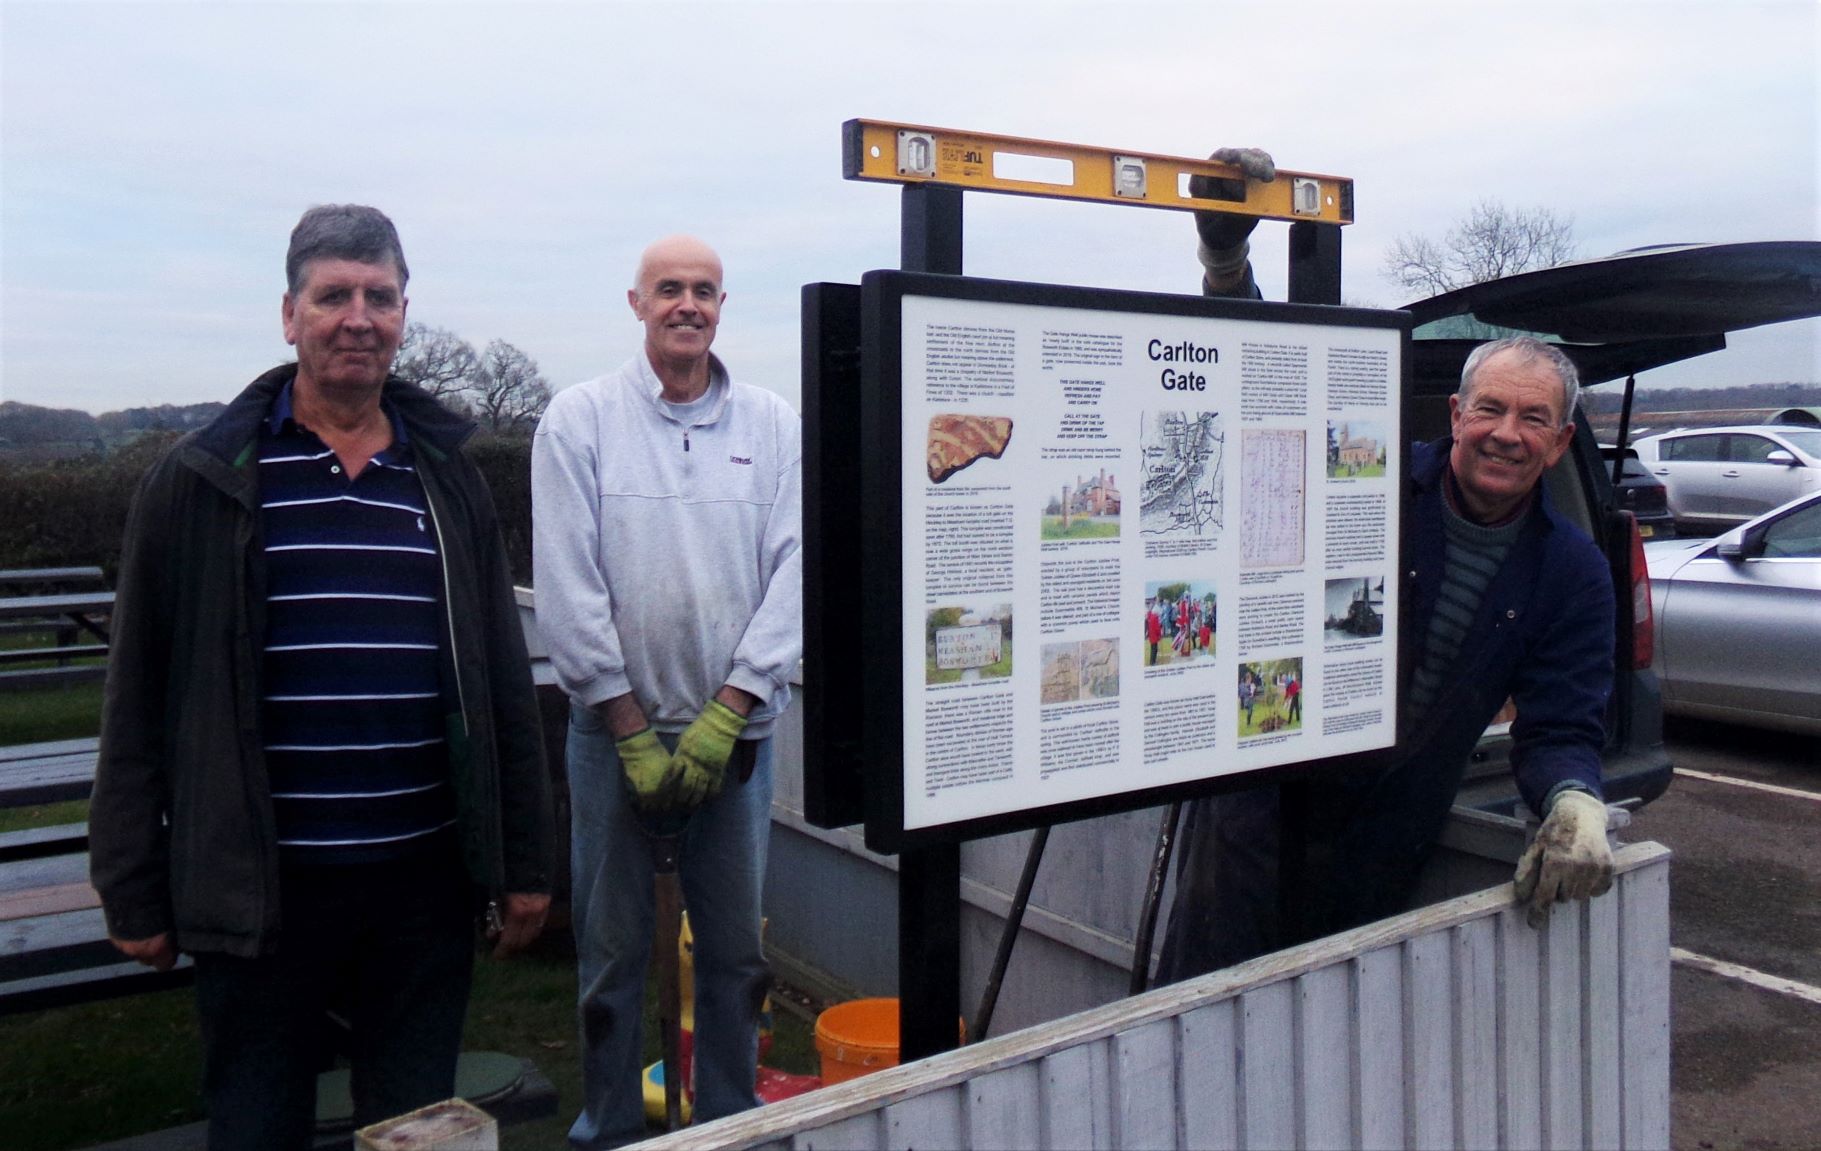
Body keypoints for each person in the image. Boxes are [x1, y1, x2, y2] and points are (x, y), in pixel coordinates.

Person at [89, 204, 555, 1150]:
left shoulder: (446, 478)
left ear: (403, 313)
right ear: (289, 314)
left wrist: (525, 864)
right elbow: (137, 693)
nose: (358, 317)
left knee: (412, 1126)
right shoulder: (201, 479)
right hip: (263, 887)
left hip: (420, 886)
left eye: (379, 297)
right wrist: (131, 884)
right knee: (258, 1122)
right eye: (333, 294)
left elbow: (501, 680)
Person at [1157, 152, 1617, 980]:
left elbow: (1562, 721)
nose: (1505, 432)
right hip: (1258, 805)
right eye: (1489, 408)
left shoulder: (1569, 571)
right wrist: (1226, 268)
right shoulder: (1362, 483)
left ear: (1555, 445)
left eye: (1532, 417)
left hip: (1385, 834)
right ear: (1455, 413)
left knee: (1325, 1043)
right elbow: (1266, 388)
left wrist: (1573, 798)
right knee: (1198, 1014)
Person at [532, 235, 802, 1148]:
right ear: (636, 303)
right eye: (668, 290)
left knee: (734, 955)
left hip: (737, 749)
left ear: (723, 306)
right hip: (613, 746)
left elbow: (796, 571)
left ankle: (730, 1123)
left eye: (704, 291)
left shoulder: (770, 424)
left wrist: (732, 708)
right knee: (611, 955)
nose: (687, 304)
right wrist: (625, 720)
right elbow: (568, 586)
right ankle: (605, 1126)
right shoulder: (581, 420)